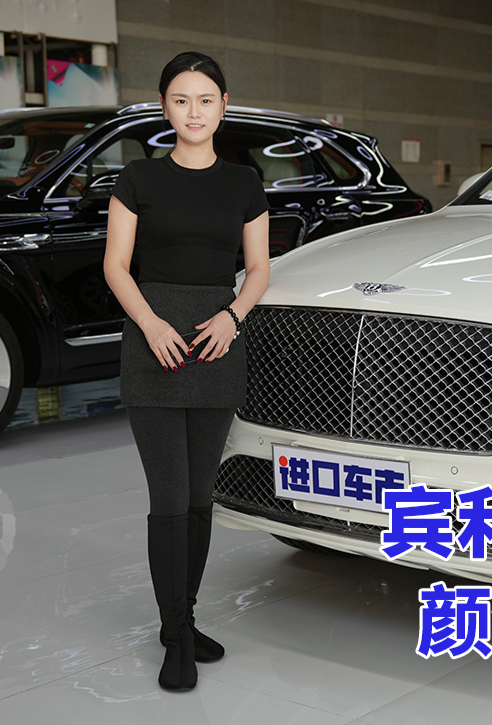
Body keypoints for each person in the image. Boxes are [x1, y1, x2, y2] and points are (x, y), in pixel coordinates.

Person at [103, 51, 270, 692]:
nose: (193, 112)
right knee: (169, 498)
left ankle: (185, 619)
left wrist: (233, 317)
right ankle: (175, 636)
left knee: (202, 497)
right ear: (164, 107)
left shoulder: (244, 182)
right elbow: (116, 265)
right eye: (181, 100)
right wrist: (149, 324)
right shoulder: (138, 177)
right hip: (154, 342)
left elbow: (258, 269)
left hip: (216, 344)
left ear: (223, 106)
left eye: (205, 100)